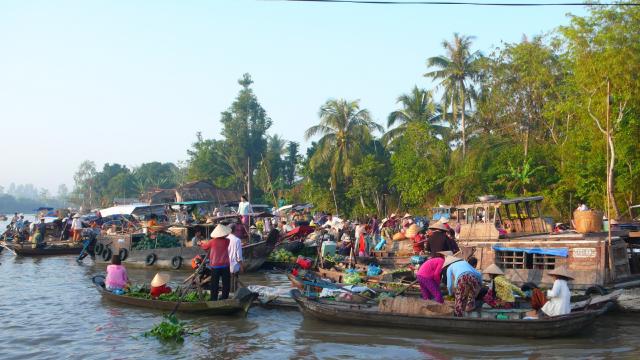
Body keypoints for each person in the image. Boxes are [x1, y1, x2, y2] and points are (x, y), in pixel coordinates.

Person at [199, 224, 232, 301]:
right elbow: (226, 236)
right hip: (225, 266)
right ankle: (225, 298)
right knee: (226, 284)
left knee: (214, 284)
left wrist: (200, 243)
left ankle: (214, 299)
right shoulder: (227, 241)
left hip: (215, 266)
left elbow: (204, 246)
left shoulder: (212, 241)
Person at [228, 223, 244, 293]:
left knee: (227, 282)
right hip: (234, 265)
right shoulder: (237, 240)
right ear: (235, 230)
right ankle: (233, 295)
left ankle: (229, 295)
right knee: (234, 283)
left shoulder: (225, 239)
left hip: (226, 264)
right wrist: (241, 266)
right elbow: (239, 256)